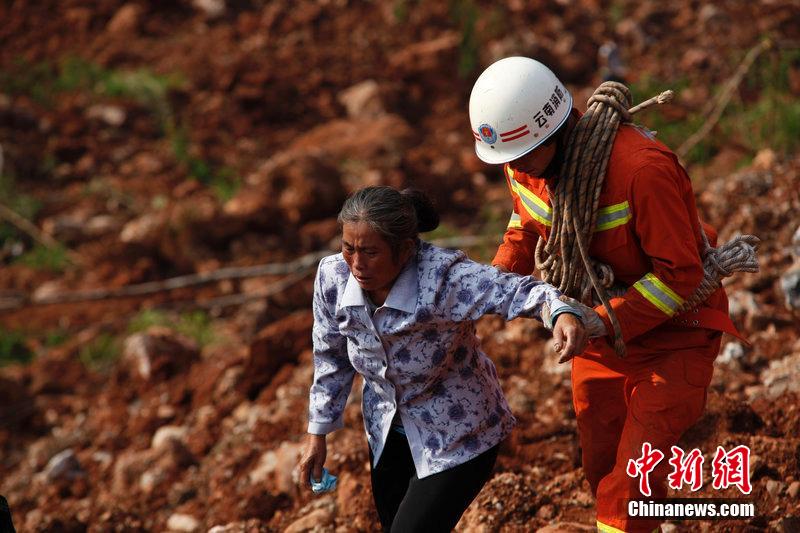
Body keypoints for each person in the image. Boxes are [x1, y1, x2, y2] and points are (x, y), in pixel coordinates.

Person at [468, 56, 735, 533]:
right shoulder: (523, 159)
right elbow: (525, 225)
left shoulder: (641, 170)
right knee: (601, 466)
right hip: (599, 342)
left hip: (675, 336)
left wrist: (601, 319)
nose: (512, 168)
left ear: (554, 131)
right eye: (506, 162)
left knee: (627, 488)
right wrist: (486, 287)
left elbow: (680, 275)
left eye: (521, 157)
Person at [298, 186, 596, 532]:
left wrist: (559, 313)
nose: (357, 264)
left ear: (406, 250)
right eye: (348, 248)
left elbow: (515, 290)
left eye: (370, 252)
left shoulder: (444, 278)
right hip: (387, 432)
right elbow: (331, 356)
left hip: (461, 435)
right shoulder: (332, 277)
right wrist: (317, 432)